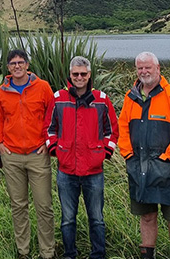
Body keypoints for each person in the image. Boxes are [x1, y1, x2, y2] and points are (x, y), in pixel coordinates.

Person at [117, 52, 170, 259]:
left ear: (158, 68)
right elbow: (122, 129)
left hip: (169, 171)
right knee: (147, 216)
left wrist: (167, 159)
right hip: (138, 170)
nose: (144, 72)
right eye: (140, 68)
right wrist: (128, 155)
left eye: (147, 67)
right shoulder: (130, 96)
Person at [44, 56, 119, 259]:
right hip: (66, 170)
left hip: (94, 171)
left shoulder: (101, 99)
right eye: (75, 74)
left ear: (89, 75)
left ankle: (98, 254)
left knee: (96, 218)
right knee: (68, 218)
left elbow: (112, 131)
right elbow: (49, 128)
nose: (79, 77)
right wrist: (55, 150)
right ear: (70, 74)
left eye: (83, 74)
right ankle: (70, 254)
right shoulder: (58, 98)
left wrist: (104, 152)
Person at [0, 49, 55, 259]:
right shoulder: (2, 91)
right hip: (11, 156)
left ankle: (47, 252)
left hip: (38, 153)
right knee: (18, 206)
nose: (17, 66)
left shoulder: (43, 87)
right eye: (13, 63)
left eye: (21, 62)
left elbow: (52, 116)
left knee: (44, 205)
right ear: (8, 67)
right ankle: (24, 251)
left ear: (27, 65)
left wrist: (48, 142)